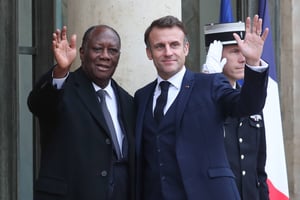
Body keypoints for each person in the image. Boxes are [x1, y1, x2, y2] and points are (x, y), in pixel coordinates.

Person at [134, 15, 269, 200]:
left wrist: (253, 64)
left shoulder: (210, 84)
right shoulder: (141, 97)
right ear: (149, 53)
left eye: (174, 45)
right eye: (159, 46)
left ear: (186, 48)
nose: (168, 52)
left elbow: (248, 105)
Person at [27, 25, 135, 200]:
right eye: (98, 49)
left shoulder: (128, 101)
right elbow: (38, 104)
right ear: (82, 53)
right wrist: (61, 71)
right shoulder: (63, 89)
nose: (105, 56)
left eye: (112, 50)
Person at [202, 22, 269, 200]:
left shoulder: (250, 101)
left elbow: (259, 171)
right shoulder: (199, 99)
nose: (243, 58)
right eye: (234, 51)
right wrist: (208, 84)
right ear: (215, 53)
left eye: (244, 51)